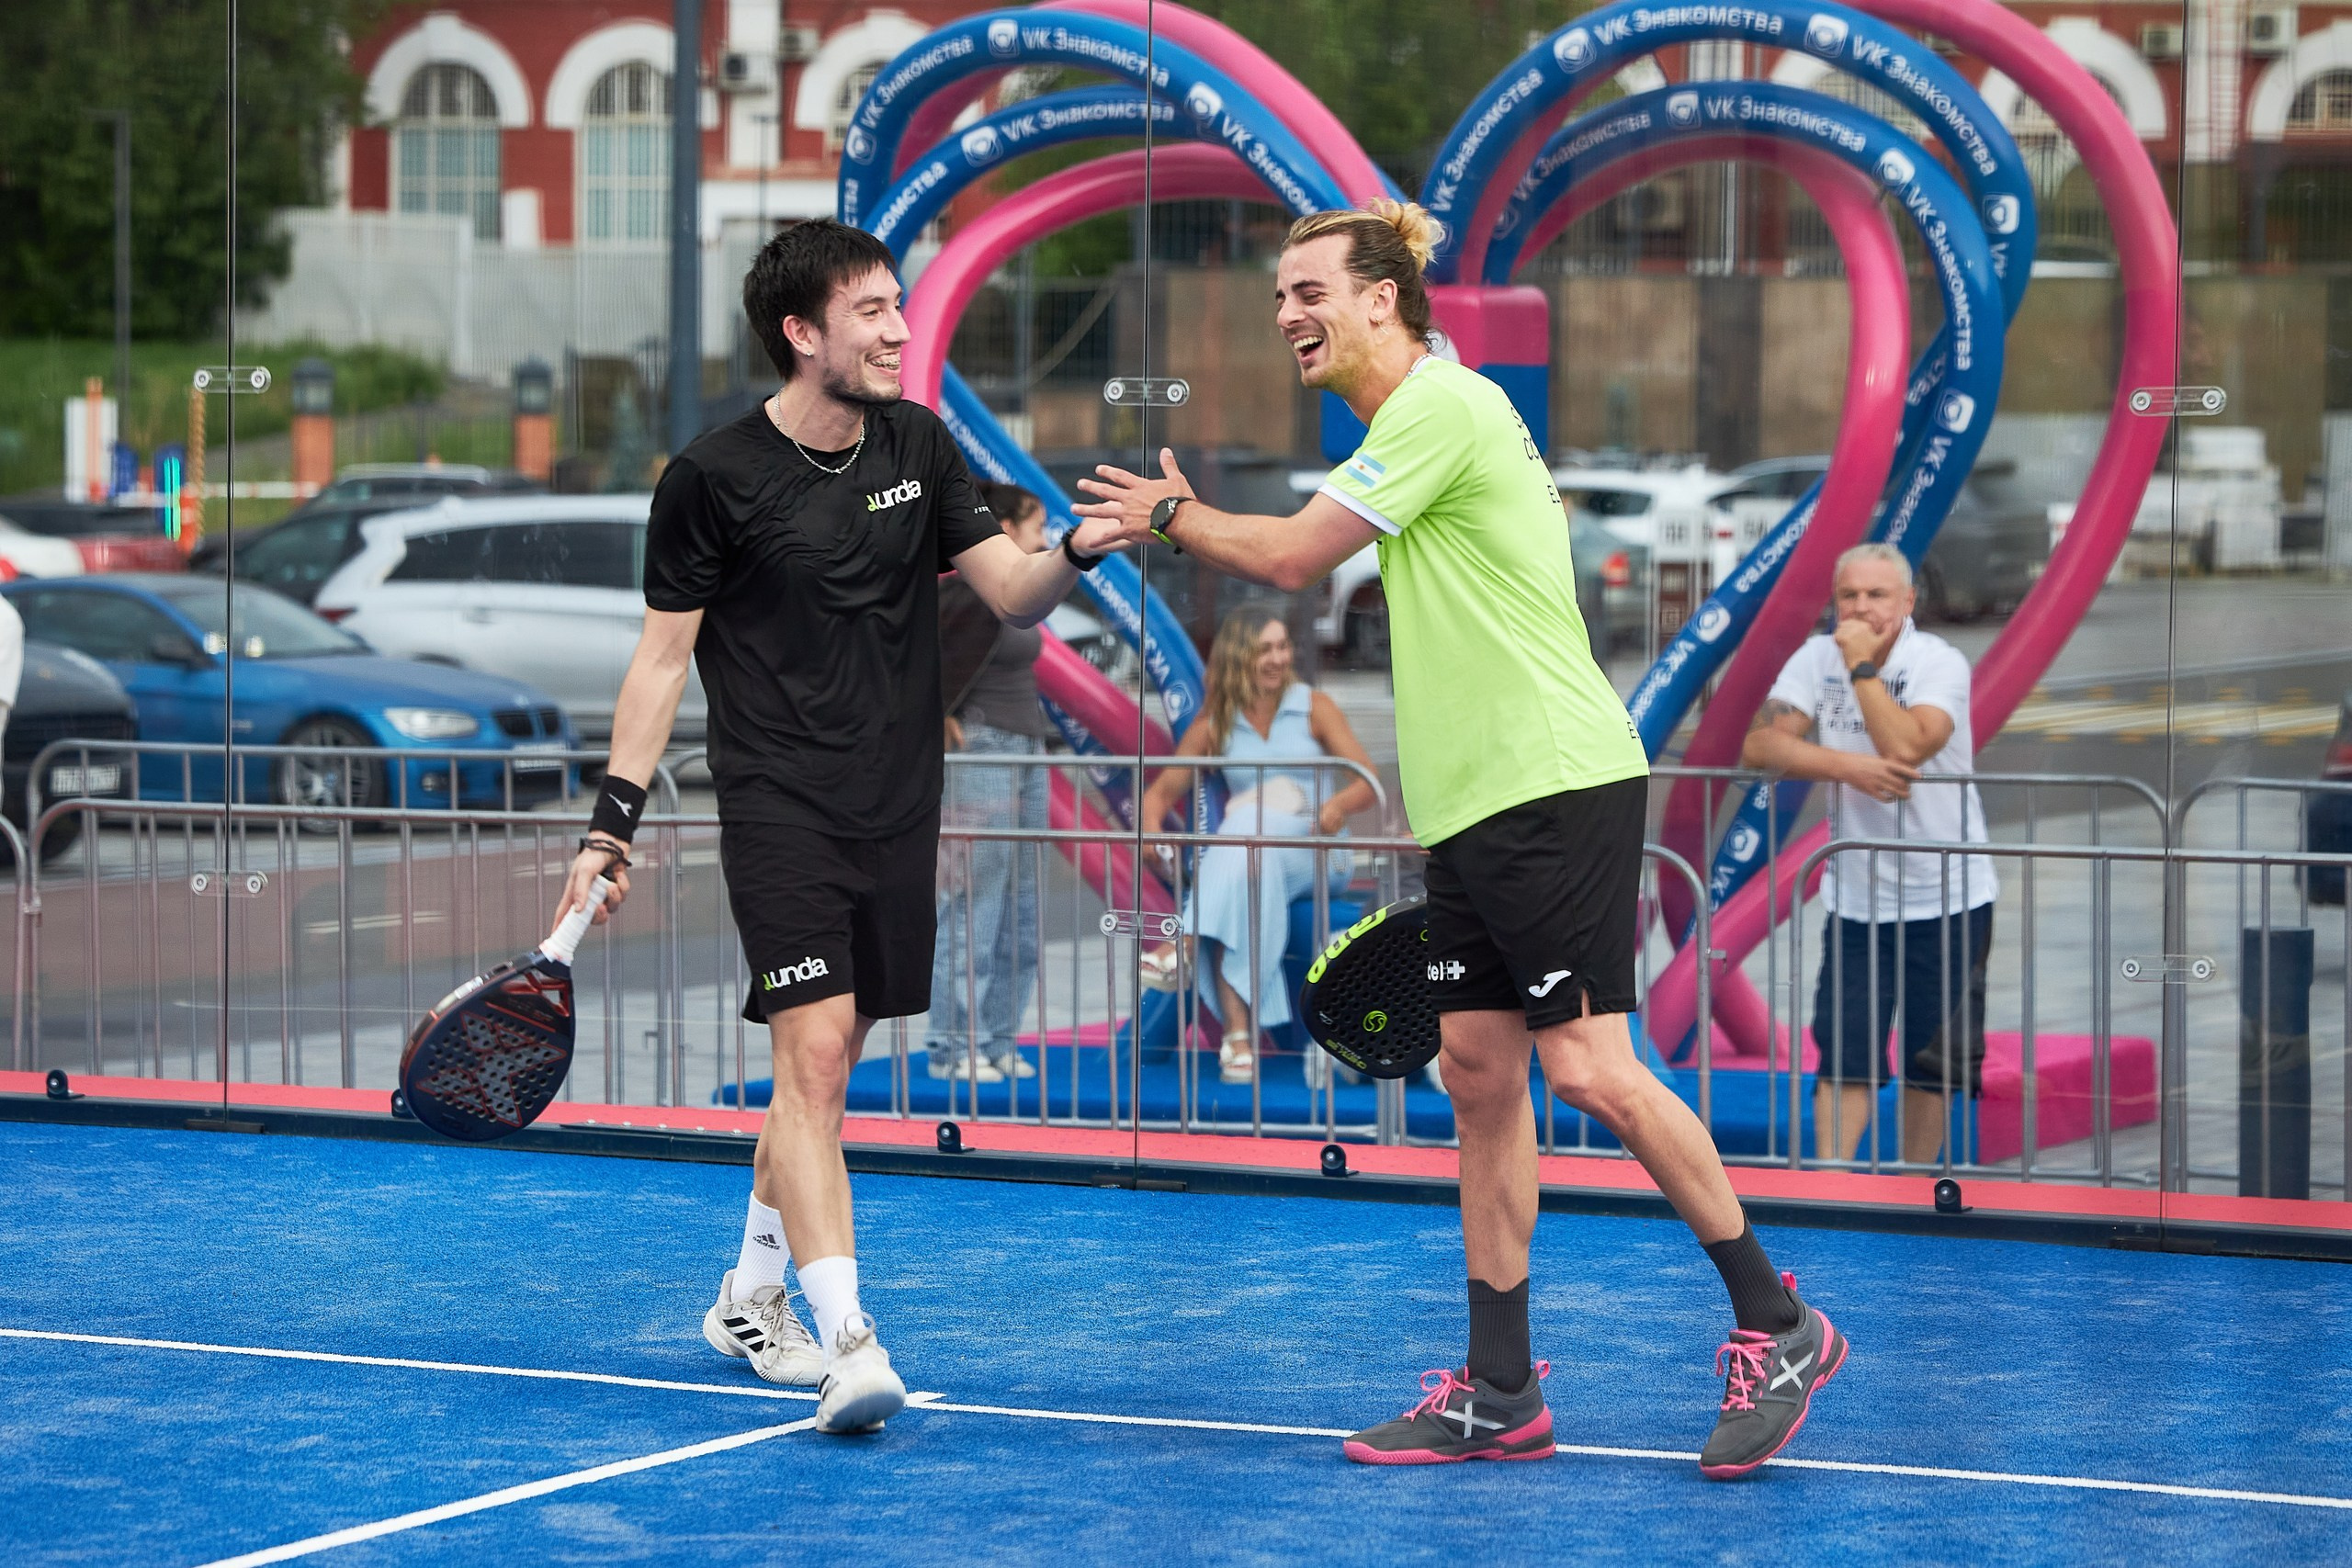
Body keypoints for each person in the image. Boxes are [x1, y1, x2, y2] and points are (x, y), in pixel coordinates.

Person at [1077, 198, 1845, 1477]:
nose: (1287, 315)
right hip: (1476, 810)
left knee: (1592, 1067)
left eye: (1309, 289)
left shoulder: (1443, 405)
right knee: (1483, 1083)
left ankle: (1780, 1321)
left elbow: (1285, 555)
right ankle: (1501, 1389)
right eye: (1277, 296)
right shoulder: (1411, 424)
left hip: (1552, 783)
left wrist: (1168, 516)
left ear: (1384, 299)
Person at [554, 220, 1127, 1436]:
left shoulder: (918, 443)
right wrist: (614, 823)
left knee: (829, 1066)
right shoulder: (710, 479)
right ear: (801, 332)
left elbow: (1013, 590)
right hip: (779, 803)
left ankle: (749, 1293)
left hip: (896, 805)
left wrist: (1081, 542)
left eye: (900, 306)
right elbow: (661, 665)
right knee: (811, 1058)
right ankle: (848, 1339)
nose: (899, 329)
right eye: (871, 311)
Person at [1740, 542, 1997, 1167]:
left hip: (1950, 896)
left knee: (1930, 1059)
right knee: (1843, 1050)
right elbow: (1761, 744)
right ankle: (1833, 1179)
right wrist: (1846, 766)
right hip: (1856, 898)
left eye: (1877, 595)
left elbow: (1906, 746)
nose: (1861, 608)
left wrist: (1860, 666)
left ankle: (1912, 1181)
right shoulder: (1813, 658)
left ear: (1907, 602)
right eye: (1848, 595)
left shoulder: (1938, 662)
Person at [1134, 606, 1376, 1084]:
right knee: (1249, 854)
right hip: (1254, 855)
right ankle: (1237, 1039)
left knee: (1244, 826)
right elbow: (1161, 793)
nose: (1278, 658)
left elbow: (1365, 781)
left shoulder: (1314, 706)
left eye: (1283, 646)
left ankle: (1185, 943)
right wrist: (1150, 827)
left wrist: (1338, 807)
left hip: (1317, 849)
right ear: (1240, 656)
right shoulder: (1216, 721)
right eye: (1265, 648)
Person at [928, 482, 1055, 1085]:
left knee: (1020, 910)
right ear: (1003, 529)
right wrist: (939, 711)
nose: (1043, 538)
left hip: (1023, 747)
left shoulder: (1008, 592)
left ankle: (999, 1038)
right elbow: (915, 651)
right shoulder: (968, 591)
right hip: (983, 750)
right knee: (974, 905)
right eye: (1036, 525)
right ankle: (953, 1043)